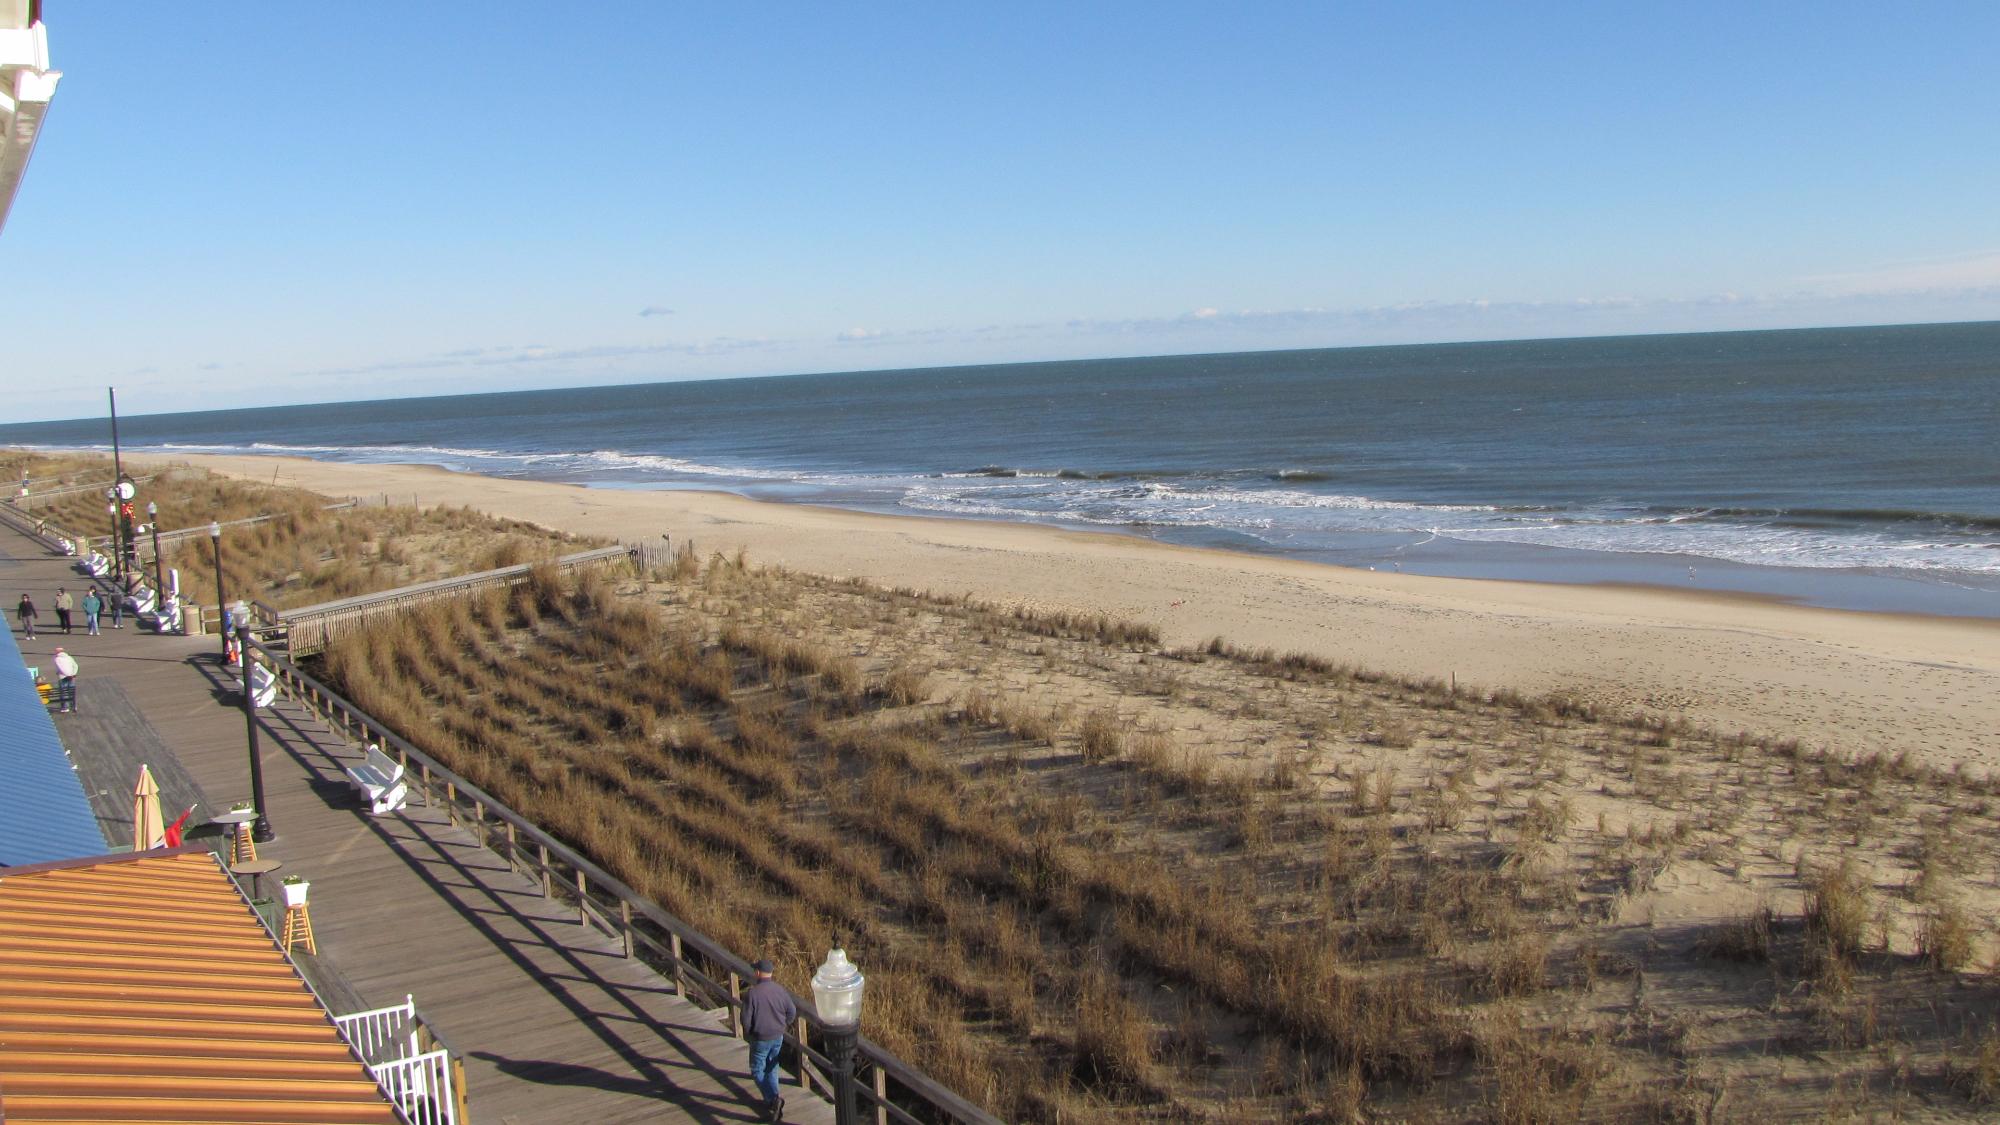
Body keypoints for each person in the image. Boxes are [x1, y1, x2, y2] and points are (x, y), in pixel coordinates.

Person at [742, 958, 795, 1122]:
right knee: (772, 1067)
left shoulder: (752, 993)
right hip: (777, 1036)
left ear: (758, 972)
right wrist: (783, 1025)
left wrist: (750, 1032)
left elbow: (745, 1019)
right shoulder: (780, 990)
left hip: (760, 1037)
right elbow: (791, 1012)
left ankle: (773, 1099)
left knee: (757, 1069)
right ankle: (773, 1100)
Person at [51, 646, 79, 713]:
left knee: (63, 692)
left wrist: (67, 675)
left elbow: (61, 668)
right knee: (71, 692)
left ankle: (65, 707)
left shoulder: (56, 658)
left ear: (57, 652)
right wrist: (73, 674)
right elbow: (76, 666)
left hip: (63, 677)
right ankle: (73, 706)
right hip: (72, 676)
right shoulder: (69, 657)